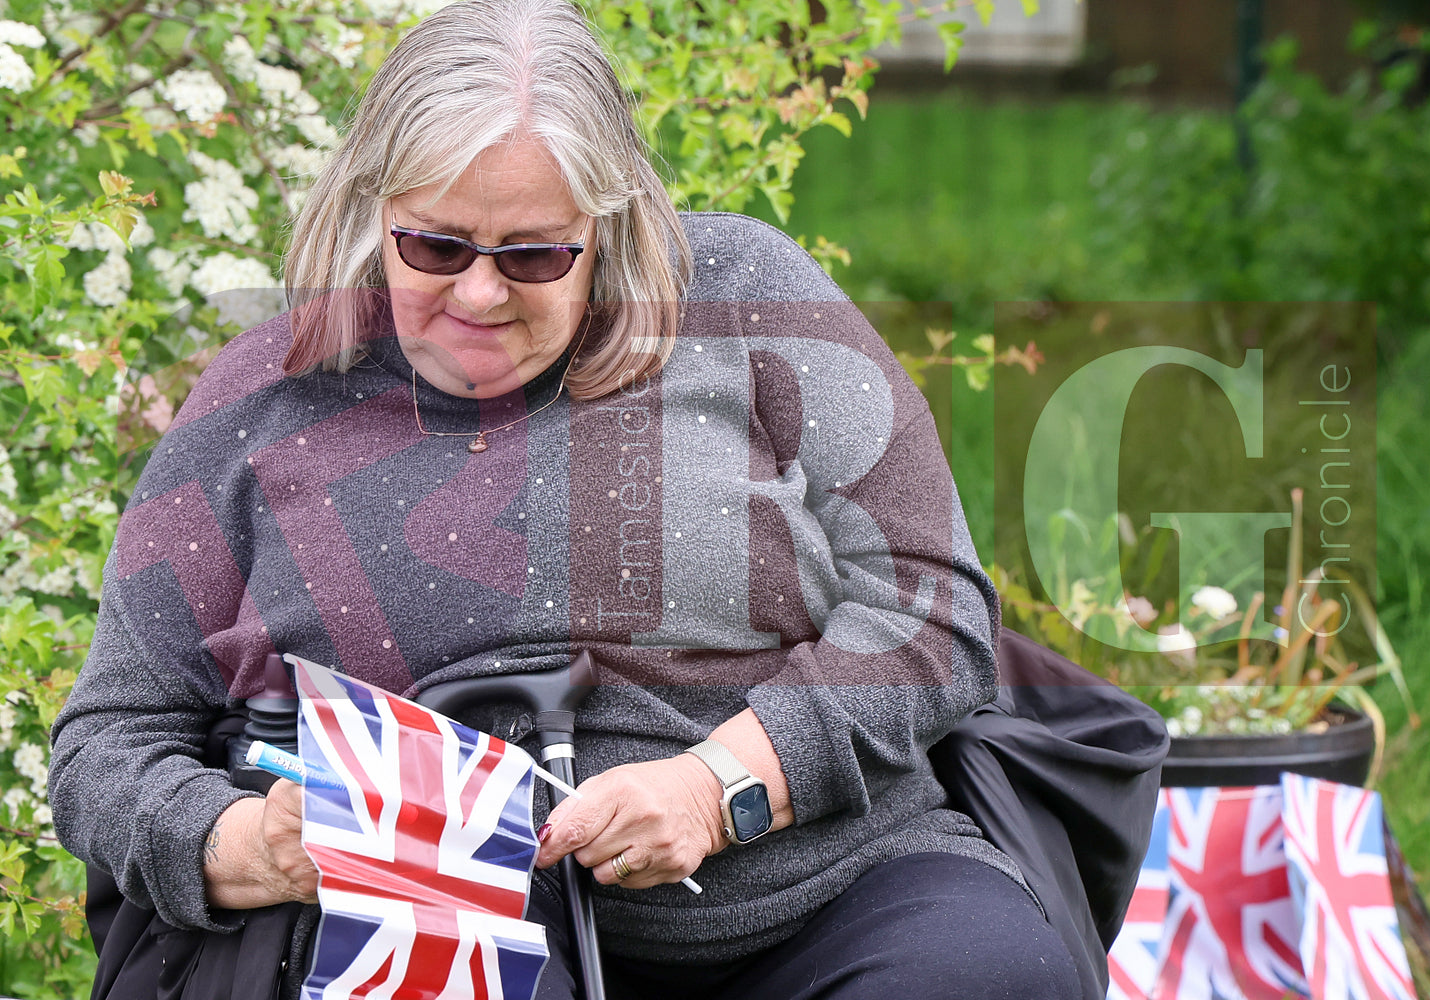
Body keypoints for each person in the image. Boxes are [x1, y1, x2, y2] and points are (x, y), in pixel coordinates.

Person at [49, 1, 1083, 997]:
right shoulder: (263, 397)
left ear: (611, 223)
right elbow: (110, 740)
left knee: (989, 975)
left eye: (536, 254)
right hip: (445, 924)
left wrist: (717, 788)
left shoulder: (747, 300)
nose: (481, 294)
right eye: (437, 246)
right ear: (375, 207)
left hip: (827, 888)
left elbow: (935, 607)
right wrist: (250, 848)